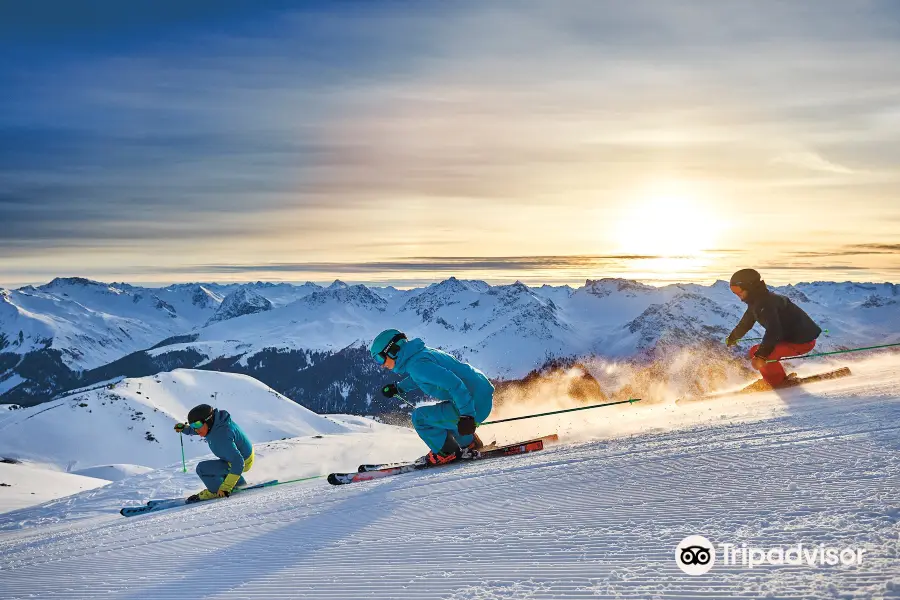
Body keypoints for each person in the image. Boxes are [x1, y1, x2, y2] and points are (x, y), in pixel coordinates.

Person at [371, 329, 493, 466]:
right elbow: (424, 377)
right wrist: (399, 388)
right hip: (479, 396)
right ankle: (468, 443)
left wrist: (467, 416)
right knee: (442, 416)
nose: (381, 364)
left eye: (380, 358)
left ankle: (447, 452)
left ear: (393, 350)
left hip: (475, 405)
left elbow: (455, 384)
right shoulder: (419, 356)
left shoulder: (418, 366)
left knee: (420, 418)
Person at [725, 268, 822, 389]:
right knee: (755, 351)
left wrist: (761, 356)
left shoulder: (766, 303)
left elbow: (774, 331)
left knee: (763, 354)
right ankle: (774, 379)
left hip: (802, 341)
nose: (736, 293)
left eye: (737, 289)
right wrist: (733, 337)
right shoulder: (756, 303)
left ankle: (779, 382)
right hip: (791, 338)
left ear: (749, 287)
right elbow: (745, 323)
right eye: (733, 290)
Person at [174, 404, 254, 501]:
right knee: (220, 466)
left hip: (242, 461)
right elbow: (198, 429)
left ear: (208, 420)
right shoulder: (215, 424)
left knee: (203, 469)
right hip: (241, 456)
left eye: (197, 424)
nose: (196, 429)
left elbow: (238, 462)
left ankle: (215, 492)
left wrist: (226, 488)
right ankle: (239, 484)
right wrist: (185, 428)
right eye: (193, 426)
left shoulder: (221, 435)